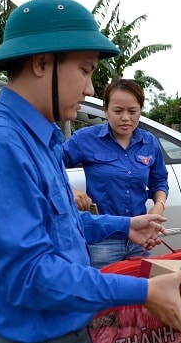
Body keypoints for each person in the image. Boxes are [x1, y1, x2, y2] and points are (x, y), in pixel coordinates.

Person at [0, 0, 181, 343]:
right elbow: (31, 276)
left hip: (61, 338)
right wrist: (144, 290)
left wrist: (125, 225)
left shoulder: (39, 137)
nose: (91, 89)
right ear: (41, 62)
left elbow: (58, 222)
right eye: (84, 70)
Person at [63, 79, 168, 268]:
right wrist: (70, 190)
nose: (126, 118)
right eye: (118, 111)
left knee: (139, 294)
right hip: (102, 241)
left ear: (140, 110)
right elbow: (49, 165)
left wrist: (158, 206)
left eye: (132, 111)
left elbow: (159, 181)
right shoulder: (85, 139)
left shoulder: (150, 143)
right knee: (101, 295)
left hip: (140, 240)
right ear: (106, 109)